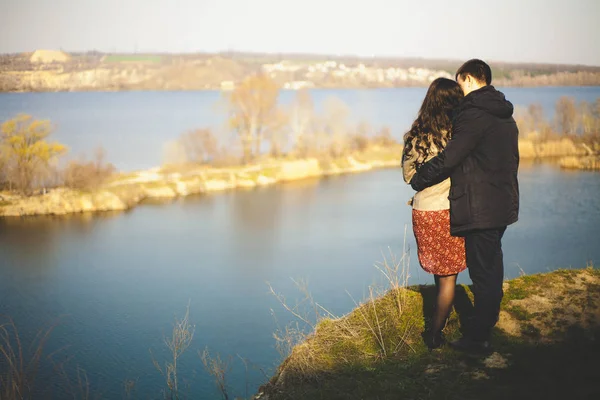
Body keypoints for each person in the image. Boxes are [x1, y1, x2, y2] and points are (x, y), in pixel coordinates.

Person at [410, 59, 520, 354]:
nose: (459, 89)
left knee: (483, 273)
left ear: (468, 78)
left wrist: (420, 178)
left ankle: (478, 338)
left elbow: (451, 157)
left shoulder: (474, 114)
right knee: (491, 267)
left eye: (460, 82)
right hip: (501, 202)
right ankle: (485, 324)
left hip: (480, 206)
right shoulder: (504, 113)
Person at [402, 77, 466, 349]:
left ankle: (436, 322)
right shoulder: (459, 136)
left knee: (439, 273)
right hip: (449, 211)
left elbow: (408, 177)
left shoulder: (415, 136)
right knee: (449, 276)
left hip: (423, 212)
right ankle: (434, 336)